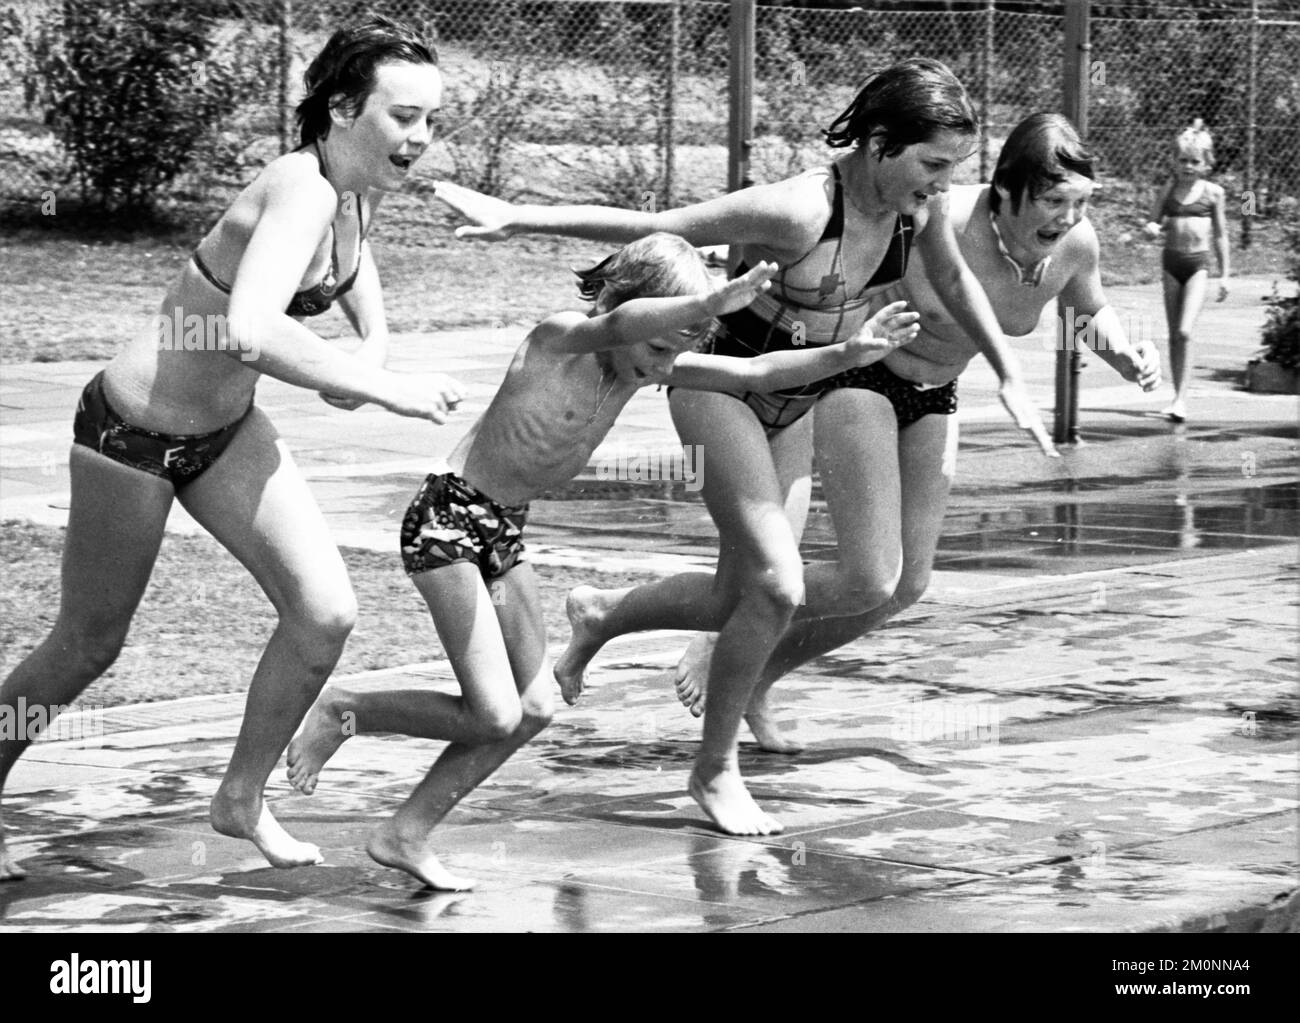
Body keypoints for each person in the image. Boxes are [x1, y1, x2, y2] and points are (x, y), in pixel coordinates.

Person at [433, 58, 1057, 836]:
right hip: (720, 387)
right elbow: (658, 224)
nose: (940, 185)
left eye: (951, 170)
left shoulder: (913, 215)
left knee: (747, 595)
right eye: (931, 165)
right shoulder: (799, 210)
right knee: (777, 583)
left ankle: (600, 615)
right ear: (877, 144)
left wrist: (1010, 374)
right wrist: (517, 216)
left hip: (797, 395)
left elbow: (959, 285)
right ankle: (714, 769)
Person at [282, 235, 921, 888]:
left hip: (501, 535)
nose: (662, 363)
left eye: (678, 349)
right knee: (493, 711)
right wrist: (707, 298)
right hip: (447, 520)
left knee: (533, 708)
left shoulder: (640, 365)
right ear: (627, 303)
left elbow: (754, 375)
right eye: (659, 343)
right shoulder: (561, 340)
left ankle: (405, 831)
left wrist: (848, 353)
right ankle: (346, 708)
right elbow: (619, 324)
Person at [0, 16, 462, 881]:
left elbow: (350, 270)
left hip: (222, 434)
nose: (422, 138)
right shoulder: (301, 185)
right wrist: (382, 387)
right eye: (404, 117)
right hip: (130, 435)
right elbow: (248, 329)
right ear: (342, 107)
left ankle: (241, 797)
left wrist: (371, 347)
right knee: (88, 643)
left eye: (432, 120)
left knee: (324, 613)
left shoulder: (349, 188)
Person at [566, 112, 1164, 748]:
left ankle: (756, 673)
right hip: (864, 380)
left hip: (938, 392)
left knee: (902, 587)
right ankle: (724, 633)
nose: (1066, 219)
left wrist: (1123, 353)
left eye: (1079, 202)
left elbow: (1087, 306)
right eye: (1052, 201)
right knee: (863, 574)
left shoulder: (1075, 244)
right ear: (1005, 191)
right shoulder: (942, 215)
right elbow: (828, 250)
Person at [1144, 122, 1229, 422]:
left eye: (1195, 161)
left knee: (1184, 330)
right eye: (1183, 160)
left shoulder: (1214, 193)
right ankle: (1176, 397)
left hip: (1198, 266)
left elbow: (1220, 235)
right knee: (1173, 335)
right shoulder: (1168, 189)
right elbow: (1153, 222)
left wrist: (1225, 274)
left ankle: (1182, 398)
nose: (1188, 166)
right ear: (1174, 161)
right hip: (1171, 263)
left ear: (1206, 163)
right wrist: (1151, 228)